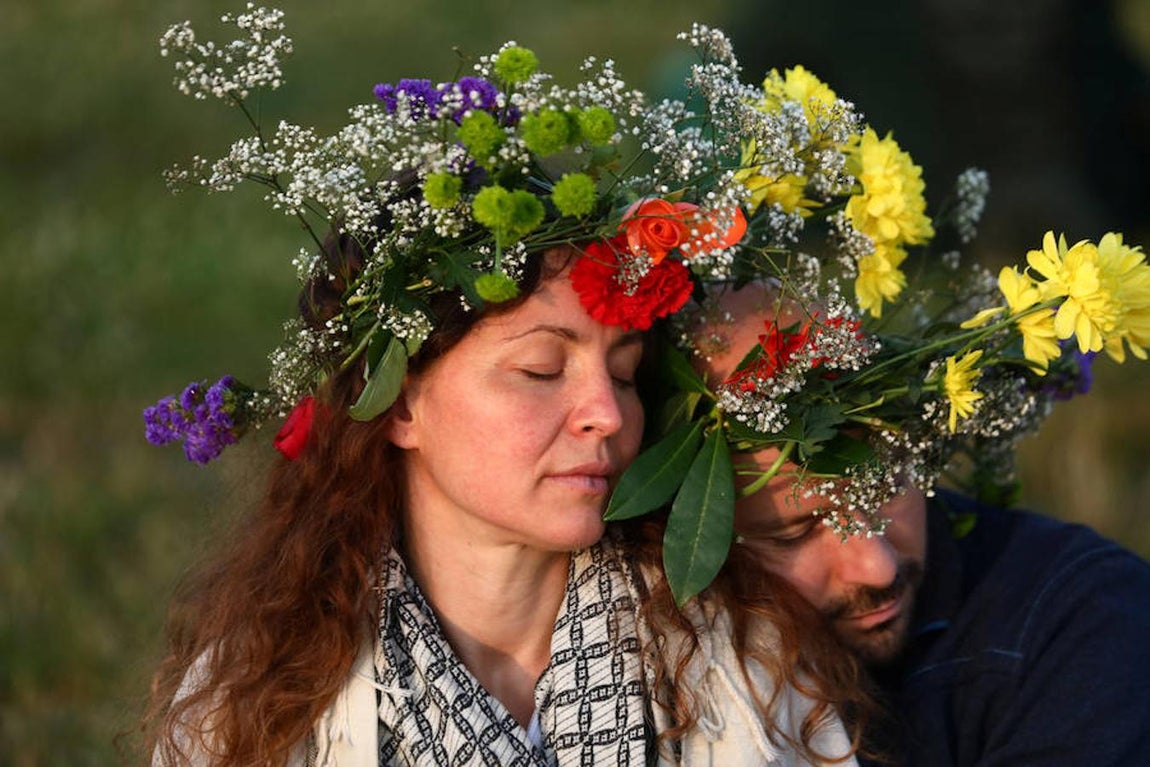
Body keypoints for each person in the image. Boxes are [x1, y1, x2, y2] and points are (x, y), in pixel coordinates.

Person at [142, 10, 867, 765]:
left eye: (623, 373)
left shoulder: (744, 666)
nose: (605, 413)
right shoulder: (258, 708)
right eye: (541, 370)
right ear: (399, 401)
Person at [690, 280, 1150, 766]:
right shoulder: (652, 660)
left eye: (888, 489)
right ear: (695, 530)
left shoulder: (1082, 619)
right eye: (796, 532)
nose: (878, 568)